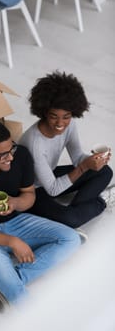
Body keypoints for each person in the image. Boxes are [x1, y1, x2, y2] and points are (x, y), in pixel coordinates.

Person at [0, 120, 81, 312]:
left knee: (71, 239)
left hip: (16, 221)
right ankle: (29, 312)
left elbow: (29, 195)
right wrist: (12, 241)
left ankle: (2, 281)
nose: (10, 157)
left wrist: (16, 203)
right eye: (2, 155)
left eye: (12, 150)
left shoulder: (21, 157)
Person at [19, 71, 114, 229]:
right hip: (31, 190)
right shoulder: (34, 143)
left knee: (105, 171)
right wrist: (84, 167)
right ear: (43, 112)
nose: (60, 123)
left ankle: (77, 210)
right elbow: (53, 189)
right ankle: (100, 202)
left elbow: (77, 158)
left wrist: (96, 160)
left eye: (66, 116)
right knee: (71, 219)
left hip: (50, 175)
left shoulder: (69, 126)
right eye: (54, 116)